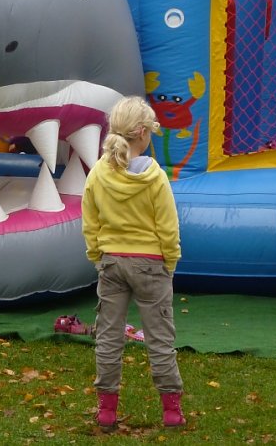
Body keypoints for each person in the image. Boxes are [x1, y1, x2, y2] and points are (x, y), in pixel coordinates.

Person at [81, 96, 185, 429]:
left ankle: (106, 410)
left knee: (109, 338)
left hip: (112, 263)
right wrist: (170, 263)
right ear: (143, 133)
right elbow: (168, 227)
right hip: (152, 265)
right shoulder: (155, 177)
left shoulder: (98, 174)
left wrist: (97, 256)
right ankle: (171, 411)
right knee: (160, 338)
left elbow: (90, 222)